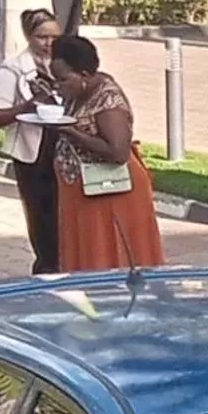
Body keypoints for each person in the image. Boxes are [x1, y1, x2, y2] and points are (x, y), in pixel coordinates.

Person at [48, 34, 165, 272]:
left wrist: (72, 133)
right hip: (83, 193)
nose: (58, 86)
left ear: (84, 75)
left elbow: (118, 151)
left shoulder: (108, 101)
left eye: (62, 80)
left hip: (110, 192)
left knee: (108, 257)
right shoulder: (78, 92)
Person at [0, 9, 62, 273]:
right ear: (29, 36)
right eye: (42, 37)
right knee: (43, 220)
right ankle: (46, 273)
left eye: (54, 36)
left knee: (66, 220)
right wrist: (28, 106)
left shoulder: (65, 64)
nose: (49, 43)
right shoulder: (13, 71)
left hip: (64, 152)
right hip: (33, 154)